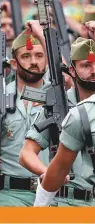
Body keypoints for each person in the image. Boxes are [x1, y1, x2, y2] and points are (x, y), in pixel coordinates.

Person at [0, 22, 50, 206]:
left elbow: (64, 68)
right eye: (26, 55)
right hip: (9, 195)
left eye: (39, 55)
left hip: (52, 195)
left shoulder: (60, 97)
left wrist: (42, 34)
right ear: (14, 63)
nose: (34, 61)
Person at [22, 36, 95, 207]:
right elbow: (26, 153)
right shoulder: (57, 105)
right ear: (72, 69)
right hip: (62, 201)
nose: (93, 70)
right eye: (86, 65)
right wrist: (50, 174)